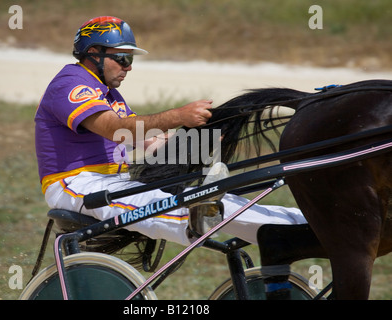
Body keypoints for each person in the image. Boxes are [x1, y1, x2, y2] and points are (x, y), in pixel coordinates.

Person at [35, 16, 306, 247]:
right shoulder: (71, 84)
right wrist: (179, 116)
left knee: (223, 201)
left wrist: (198, 142)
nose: (129, 67)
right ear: (94, 54)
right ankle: (198, 215)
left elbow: (146, 141)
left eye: (130, 59)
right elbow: (114, 129)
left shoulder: (110, 95)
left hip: (111, 183)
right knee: (162, 203)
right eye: (122, 58)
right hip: (75, 184)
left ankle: (297, 227)